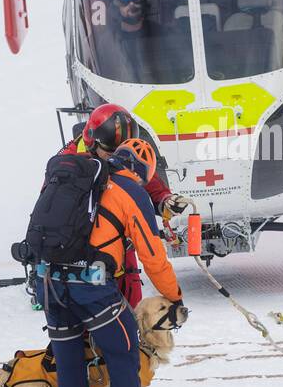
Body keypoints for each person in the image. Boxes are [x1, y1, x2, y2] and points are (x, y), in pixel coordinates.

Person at [21, 146, 187, 387]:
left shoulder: (80, 181)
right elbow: (152, 256)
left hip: (48, 283)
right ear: (141, 172)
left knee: (70, 369)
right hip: (91, 286)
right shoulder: (130, 190)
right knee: (125, 358)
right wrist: (174, 296)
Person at [60, 102, 193, 308]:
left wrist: (164, 199)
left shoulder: (116, 162)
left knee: (130, 300)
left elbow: (138, 175)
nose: (116, 159)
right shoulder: (68, 161)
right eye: (111, 152)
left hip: (118, 244)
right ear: (92, 142)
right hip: (79, 251)